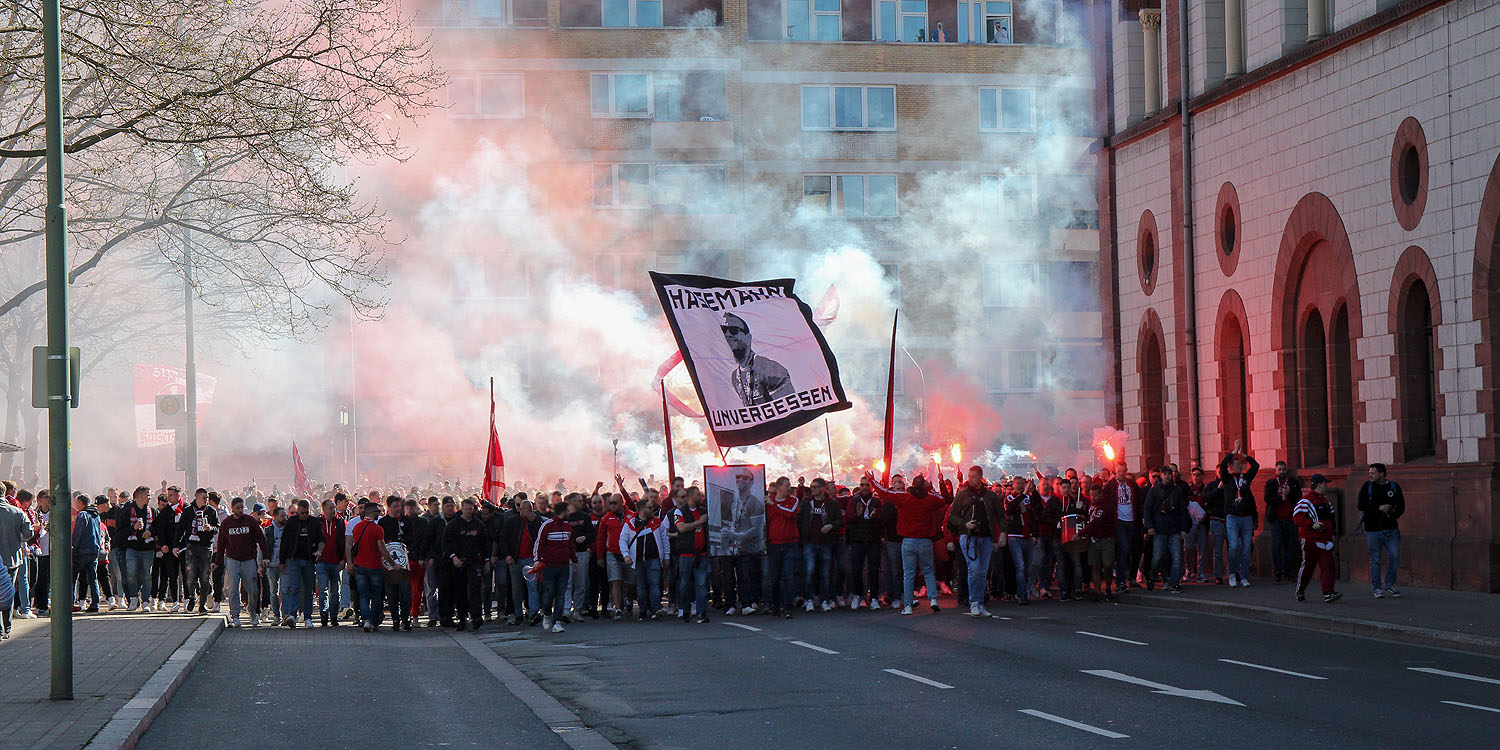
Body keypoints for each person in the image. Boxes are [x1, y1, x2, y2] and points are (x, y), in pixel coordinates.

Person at [869, 472, 946, 615]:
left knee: (908, 574)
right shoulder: (930, 499)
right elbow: (943, 499)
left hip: (908, 541)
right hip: (925, 541)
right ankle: (933, 600)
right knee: (928, 571)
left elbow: (884, 493)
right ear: (924, 486)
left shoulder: (904, 498)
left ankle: (908, 605)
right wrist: (931, 489)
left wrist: (873, 481)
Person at [947, 466, 1006, 617]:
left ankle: (980, 602)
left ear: (980, 477)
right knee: (973, 569)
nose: (970, 479)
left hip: (986, 537)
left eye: (973, 476)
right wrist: (963, 524)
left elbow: (1001, 515)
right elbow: (952, 516)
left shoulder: (991, 496)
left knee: (983, 571)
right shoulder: (962, 495)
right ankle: (974, 602)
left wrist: (1003, 533)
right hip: (968, 537)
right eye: (969, 476)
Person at [214, 497, 270, 628]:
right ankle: (235, 615)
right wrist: (217, 562)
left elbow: (261, 540)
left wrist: (265, 557)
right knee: (233, 589)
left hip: (249, 560)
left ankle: (251, 610)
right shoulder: (226, 523)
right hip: (232, 560)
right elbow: (221, 543)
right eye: (237, 507)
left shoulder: (250, 521)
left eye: (241, 507)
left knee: (253, 589)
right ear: (232, 508)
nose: (240, 510)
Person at [721, 312, 795, 406]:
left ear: (748, 337)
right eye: (724, 330)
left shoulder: (771, 369)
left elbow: (790, 411)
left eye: (733, 330)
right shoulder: (735, 376)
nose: (728, 334)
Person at [346, 501, 395, 632]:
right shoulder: (378, 529)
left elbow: (350, 545)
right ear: (373, 513)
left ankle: (366, 619)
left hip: (359, 566)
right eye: (378, 512)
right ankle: (373, 621)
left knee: (363, 595)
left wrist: (350, 562)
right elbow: (382, 549)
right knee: (376, 596)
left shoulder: (356, 527)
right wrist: (393, 563)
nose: (379, 514)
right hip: (374, 566)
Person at [1358, 463, 1405, 598]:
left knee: (1394, 556)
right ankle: (1377, 588)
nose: (1370, 475)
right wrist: (1378, 507)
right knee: (1375, 559)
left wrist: (1393, 514)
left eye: (1373, 473)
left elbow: (1401, 506)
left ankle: (1389, 584)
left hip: (1391, 529)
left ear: (1382, 474)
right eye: (1369, 473)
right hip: (1372, 530)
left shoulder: (1393, 487)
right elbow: (1361, 505)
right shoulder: (1367, 487)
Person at [1293, 475, 1341, 603]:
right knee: (1308, 567)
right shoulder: (1306, 500)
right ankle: (1300, 590)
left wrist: (1333, 534)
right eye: (1326, 483)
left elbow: (1332, 520)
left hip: (1325, 541)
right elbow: (1297, 517)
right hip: (1309, 540)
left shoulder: (1326, 501)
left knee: (1328, 565)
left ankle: (1328, 592)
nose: (1327, 485)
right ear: (1319, 484)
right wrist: (1311, 524)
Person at [1218, 442, 1260, 586]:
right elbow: (1222, 465)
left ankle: (1243, 576)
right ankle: (1232, 574)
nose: (1240, 467)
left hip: (1246, 516)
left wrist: (1244, 455)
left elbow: (1256, 466)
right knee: (1234, 545)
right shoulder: (1227, 479)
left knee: (1246, 547)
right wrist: (1233, 452)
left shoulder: (1246, 479)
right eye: (1237, 465)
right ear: (1231, 468)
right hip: (1232, 516)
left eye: (1240, 465)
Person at [798, 478, 843, 612]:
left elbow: (840, 521)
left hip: (825, 543)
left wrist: (831, 525)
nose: (813, 489)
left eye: (816, 487)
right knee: (809, 571)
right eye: (812, 487)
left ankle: (825, 599)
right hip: (810, 542)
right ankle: (809, 599)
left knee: (825, 573)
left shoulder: (832, 503)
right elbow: (799, 519)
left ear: (823, 488)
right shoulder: (806, 502)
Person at [444, 496, 488, 631]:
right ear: (461, 509)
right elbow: (446, 543)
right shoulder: (453, 525)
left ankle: (476, 617)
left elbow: (485, 543)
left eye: (471, 509)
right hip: (459, 562)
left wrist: (486, 561)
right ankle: (462, 619)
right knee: (460, 590)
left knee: (475, 589)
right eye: (466, 509)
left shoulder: (478, 524)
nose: (469, 511)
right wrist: (453, 557)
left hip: (474, 561)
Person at [1143, 466, 1190, 592]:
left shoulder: (1177, 491)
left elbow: (1183, 511)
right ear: (1161, 476)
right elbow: (1147, 509)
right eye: (1165, 474)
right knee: (1157, 557)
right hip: (1159, 529)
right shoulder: (1154, 491)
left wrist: (1184, 528)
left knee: (1176, 558)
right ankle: (1152, 577)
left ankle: (1174, 583)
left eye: (1169, 474)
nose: (1168, 476)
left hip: (1174, 528)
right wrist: (1149, 526)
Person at [762, 478, 804, 618]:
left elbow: (790, 513)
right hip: (774, 544)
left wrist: (773, 505)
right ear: (779, 487)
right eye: (787, 486)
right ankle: (775, 605)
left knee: (788, 576)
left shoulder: (793, 500)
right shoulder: (768, 502)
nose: (789, 488)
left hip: (790, 544)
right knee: (774, 577)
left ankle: (787, 607)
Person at [533, 506, 578, 633]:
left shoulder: (568, 527)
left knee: (561, 594)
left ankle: (557, 622)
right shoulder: (547, 525)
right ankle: (547, 613)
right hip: (549, 566)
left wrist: (574, 561)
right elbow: (539, 543)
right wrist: (537, 560)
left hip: (564, 566)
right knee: (549, 593)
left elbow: (571, 545)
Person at [279, 499, 322, 628]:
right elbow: (284, 542)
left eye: (306, 512)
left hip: (309, 560)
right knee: (294, 587)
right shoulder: (292, 522)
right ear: (298, 511)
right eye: (302, 512)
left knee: (309, 589)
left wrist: (319, 550)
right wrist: (282, 561)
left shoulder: (314, 522)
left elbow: (321, 539)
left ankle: (308, 617)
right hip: (293, 559)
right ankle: (292, 615)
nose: (304, 515)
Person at [843, 475, 884, 610]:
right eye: (862, 485)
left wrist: (876, 517)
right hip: (858, 540)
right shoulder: (854, 500)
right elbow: (849, 519)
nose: (865, 487)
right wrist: (858, 515)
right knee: (857, 569)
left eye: (867, 485)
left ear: (871, 486)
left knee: (873, 569)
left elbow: (882, 519)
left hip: (873, 540)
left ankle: (874, 597)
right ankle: (857, 595)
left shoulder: (877, 501)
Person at [673, 487, 712, 623]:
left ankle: (702, 612)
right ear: (690, 496)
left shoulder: (703, 511)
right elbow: (681, 528)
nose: (700, 497)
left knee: (701, 584)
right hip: (686, 554)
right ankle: (685, 609)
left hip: (701, 553)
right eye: (697, 494)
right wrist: (699, 522)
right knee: (684, 584)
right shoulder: (680, 511)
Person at [175, 489, 218, 614]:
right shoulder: (188, 511)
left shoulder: (211, 511)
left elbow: (217, 527)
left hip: (205, 547)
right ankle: (192, 597)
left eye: (207, 497)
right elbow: (180, 529)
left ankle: (202, 604)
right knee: (190, 575)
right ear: (197, 497)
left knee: (205, 577)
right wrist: (175, 545)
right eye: (204, 497)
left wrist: (210, 528)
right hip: (191, 547)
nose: (206, 500)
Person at [1103, 465, 1144, 590]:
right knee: (1123, 549)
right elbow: (1105, 501)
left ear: (1126, 471)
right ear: (1116, 472)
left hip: (1133, 521)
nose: (1121, 474)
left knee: (1135, 550)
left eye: (1123, 471)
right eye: (1118, 471)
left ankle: (1132, 578)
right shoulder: (1111, 485)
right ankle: (1121, 581)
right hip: (1119, 521)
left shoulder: (1132, 484)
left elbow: (1139, 501)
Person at [1263, 461, 1302, 583]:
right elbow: (1267, 498)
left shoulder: (1293, 482)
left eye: (1283, 469)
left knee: (1289, 546)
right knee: (1276, 546)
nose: (1281, 472)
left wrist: (1289, 495)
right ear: (1275, 470)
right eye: (1279, 470)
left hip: (1289, 519)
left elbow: (1298, 497)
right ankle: (1277, 572)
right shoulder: (1271, 483)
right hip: (1276, 519)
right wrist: (1281, 498)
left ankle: (1288, 572)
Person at [1081, 482, 1118, 601]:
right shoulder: (1091, 506)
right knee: (1095, 566)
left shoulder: (1105, 507)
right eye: (1092, 495)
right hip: (1093, 540)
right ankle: (1098, 591)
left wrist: (1082, 532)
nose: (1093, 498)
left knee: (1107, 565)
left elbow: (1096, 522)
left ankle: (1107, 586)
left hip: (1106, 539)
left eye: (1095, 495)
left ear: (1101, 494)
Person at [315, 498, 345, 626]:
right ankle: (323, 615)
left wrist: (343, 560)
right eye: (331, 508)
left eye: (334, 507)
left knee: (335, 592)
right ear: (324, 509)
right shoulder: (317, 522)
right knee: (323, 590)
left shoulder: (340, 522)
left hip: (336, 562)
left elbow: (345, 542)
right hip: (321, 562)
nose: (334, 510)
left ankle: (334, 617)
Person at [73, 496, 104, 612]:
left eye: (77, 503)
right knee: (93, 578)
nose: (76, 505)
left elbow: (78, 532)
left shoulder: (82, 515)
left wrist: (74, 545)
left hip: (82, 550)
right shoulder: (96, 515)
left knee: (73, 577)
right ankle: (95, 603)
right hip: (94, 550)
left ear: (81, 503)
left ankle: (71, 602)